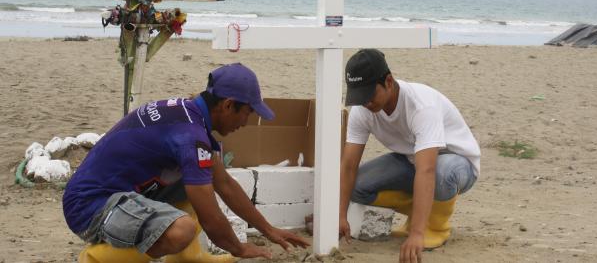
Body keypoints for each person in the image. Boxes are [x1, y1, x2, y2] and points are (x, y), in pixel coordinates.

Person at [63, 63, 309, 263]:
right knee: (180, 230)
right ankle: (95, 259)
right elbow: (211, 219)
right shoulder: (190, 138)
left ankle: (187, 259)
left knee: (201, 178)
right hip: (90, 207)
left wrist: (268, 229)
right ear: (228, 105)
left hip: (118, 194)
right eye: (248, 113)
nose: (245, 122)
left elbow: (225, 184)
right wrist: (239, 249)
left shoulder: (189, 115)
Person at [338, 49, 480, 263]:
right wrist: (339, 215)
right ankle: (420, 211)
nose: (365, 103)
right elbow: (348, 165)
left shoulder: (421, 106)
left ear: (388, 81)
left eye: (369, 95)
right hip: (411, 160)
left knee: (441, 173)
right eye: (359, 97)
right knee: (358, 186)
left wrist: (416, 234)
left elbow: (427, 170)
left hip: (456, 163)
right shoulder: (362, 110)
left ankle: (435, 227)